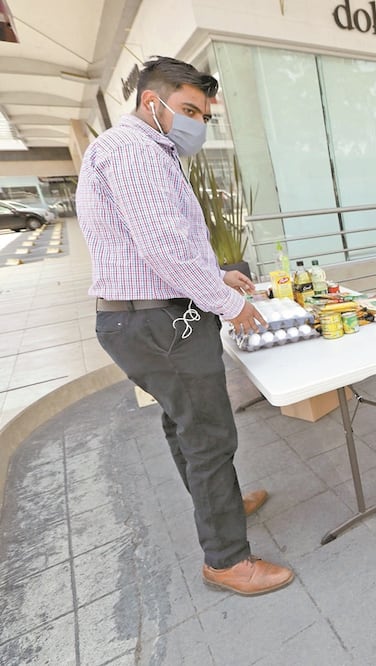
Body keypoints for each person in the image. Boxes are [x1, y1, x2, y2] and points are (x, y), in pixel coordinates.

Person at [76, 56, 294, 596]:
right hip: (156, 320)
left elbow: (156, 249)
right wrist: (227, 302)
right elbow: (165, 248)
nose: (198, 121)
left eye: (204, 112)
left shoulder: (134, 150)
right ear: (153, 102)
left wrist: (217, 276)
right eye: (189, 109)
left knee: (185, 425)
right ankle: (225, 559)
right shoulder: (136, 151)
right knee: (208, 433)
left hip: (148, 315)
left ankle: (218, 502)